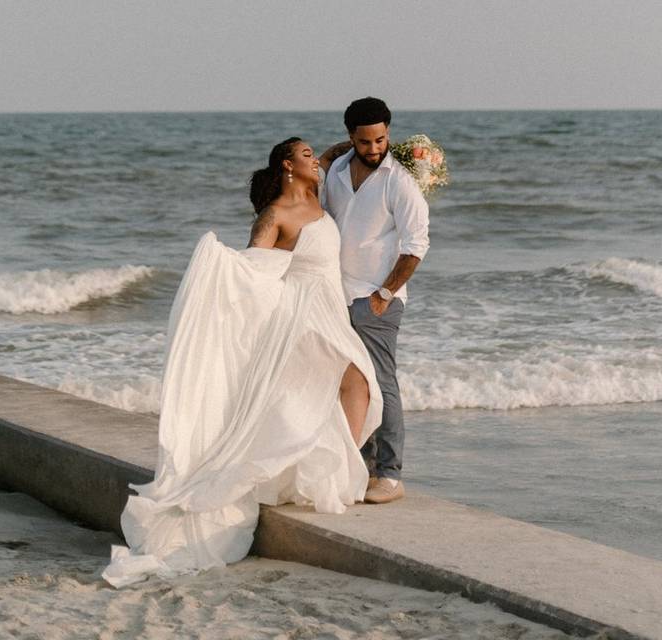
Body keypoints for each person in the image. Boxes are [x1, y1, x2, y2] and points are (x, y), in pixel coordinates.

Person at [102, 137, 383, 587]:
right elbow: (252, 269)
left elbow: (335, 156)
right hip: (301, 310)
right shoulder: (274, 215)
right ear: (287, 166)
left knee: (349, 386)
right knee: (349, 382)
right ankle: (338, 475)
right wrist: (219, 269)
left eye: (314, 155)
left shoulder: (316, 192)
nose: (317, 160)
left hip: (331, 305)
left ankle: (334, 472)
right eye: (305, 155)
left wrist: (368, 142)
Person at [319, 97, 430, 504]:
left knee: (382, 383)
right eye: (364, 142)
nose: (373, 149)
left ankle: (391, 475)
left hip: (376, 298)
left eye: (380, 140)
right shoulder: (335, 171)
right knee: (348, 384)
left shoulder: (399, 180)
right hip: (335, 294)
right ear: (351, 137)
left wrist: (384, 295)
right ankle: (360, 466)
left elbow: (417, 244)